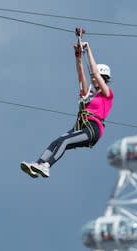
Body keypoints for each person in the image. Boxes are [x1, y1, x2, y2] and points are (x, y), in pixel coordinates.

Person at [20, 41, 113, 178]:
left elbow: (94, 71)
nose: (93, 80)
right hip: (80, 126)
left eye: (96, 78)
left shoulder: (106, 94)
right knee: (56, 141)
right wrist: (78, 56)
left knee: (65, 141)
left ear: (103, 79)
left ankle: (46, 166)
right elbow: (81, 74)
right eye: (92, 78)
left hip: (92, 128)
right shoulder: (88, 94)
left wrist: (88, 49)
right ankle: (37, 164)